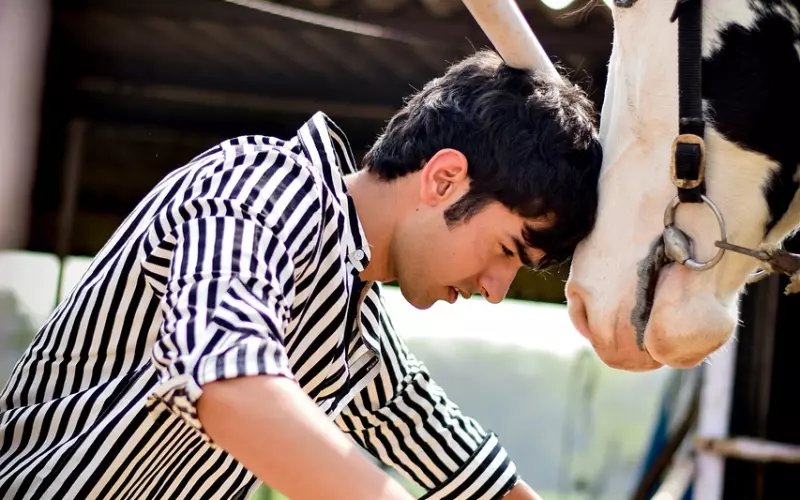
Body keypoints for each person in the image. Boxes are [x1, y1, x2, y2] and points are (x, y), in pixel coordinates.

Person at [0, 49, 602, 499]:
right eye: (505, 250)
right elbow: (226, 381)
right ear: (443, 179)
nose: (495, 290)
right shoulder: (259, 186)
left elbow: (473, 475)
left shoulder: (354, 324)